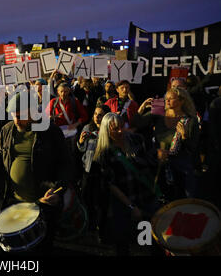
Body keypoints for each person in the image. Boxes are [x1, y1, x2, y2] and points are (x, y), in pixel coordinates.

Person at [0, 92, 74, 255]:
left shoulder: (50, 131)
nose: (17, 121)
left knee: (41, 249)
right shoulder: (7, 130)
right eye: (14, 116)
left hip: (42, 206)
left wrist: (58, 190)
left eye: (21, 116)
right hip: (12, 203)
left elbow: (66, 165)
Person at [93, 113, 161, 256]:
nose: (120, 131)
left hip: (144, 195)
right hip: (123, 201)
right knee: (123, 241)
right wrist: (131, 206)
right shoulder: (104, 152)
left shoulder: (137, 140)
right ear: (106, 131)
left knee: (148, 237)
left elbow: (151, 163)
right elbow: (110, 184)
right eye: (115, 129)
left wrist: (159, 157)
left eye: (121, 126)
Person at [134, 87, 200, 200]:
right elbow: (137, 123)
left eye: (171, 98)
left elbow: (192, 148)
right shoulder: (158, 114)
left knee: (182, 201)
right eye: (166, 99)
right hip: (158, 165)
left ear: (182, 100)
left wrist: (184, 136)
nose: (167, 101)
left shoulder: (190, 121)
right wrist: (142, 108)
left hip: (181, 169)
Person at [76, 104, 111, 230]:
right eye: (95, 114)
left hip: (102, 171)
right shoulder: (87, 127)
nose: (97, 117)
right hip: (88, 169)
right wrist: (80, 141)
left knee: (101, 200)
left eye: (100, 115)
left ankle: (102, 226)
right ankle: (89, 223)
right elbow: (82, 149)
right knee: (87, 198)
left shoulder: (109, 129)